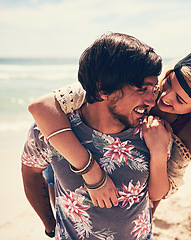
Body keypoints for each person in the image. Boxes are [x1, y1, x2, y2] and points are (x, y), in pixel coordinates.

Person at [28, 46, 191, 214]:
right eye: (168, 83)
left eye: (180, 100)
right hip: (71, 152)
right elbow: (43, 107)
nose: (164, 97)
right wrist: (90, 171)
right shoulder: (140, 84)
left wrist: (158, 151)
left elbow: (157, 195)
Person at [21, 32, 168, 239]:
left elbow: (156, 194)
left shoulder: (151, 132)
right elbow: (31, 173)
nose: (152, 100)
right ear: (102, 89)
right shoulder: (51, 130)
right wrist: (50, 225)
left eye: (153, 89)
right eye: (142, 89)